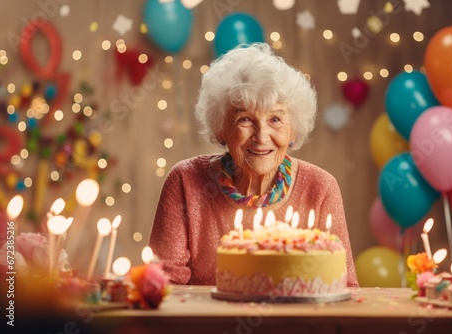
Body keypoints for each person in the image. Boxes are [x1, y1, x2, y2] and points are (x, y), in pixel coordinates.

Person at [149, 43, 358, 287]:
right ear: (221, 129)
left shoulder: (320, 187)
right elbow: (163, 287)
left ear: (293, 131)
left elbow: (344, 289)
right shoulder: (185, 181)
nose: (261, 136)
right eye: (245, 119)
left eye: (275, 119)